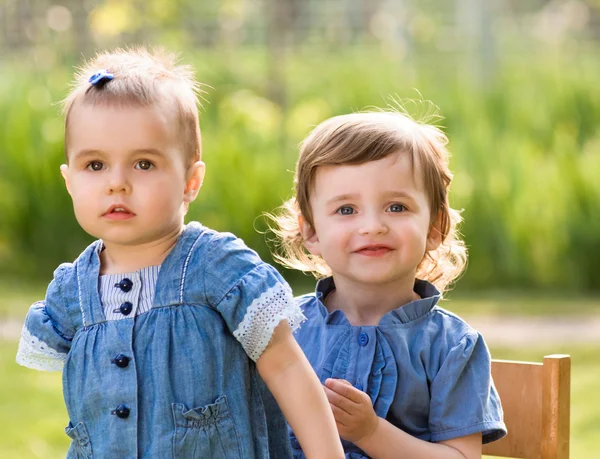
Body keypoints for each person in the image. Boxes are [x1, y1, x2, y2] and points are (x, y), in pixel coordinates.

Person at [15, 47, 344, 459]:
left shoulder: (218, 267)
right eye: (95, 165)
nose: (117, 183)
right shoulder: (72, 291)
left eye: (144, 164)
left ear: (191, 181)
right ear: (69, 180)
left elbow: (287, 367)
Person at [270, 108, 507, 458]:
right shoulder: (283, 330)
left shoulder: (452, 347)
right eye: (346, 210)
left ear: (434, 227)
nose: (373, 226)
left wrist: (371, 432)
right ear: (311, 232)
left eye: (396, 207)